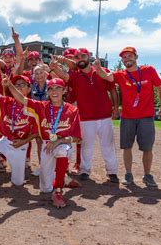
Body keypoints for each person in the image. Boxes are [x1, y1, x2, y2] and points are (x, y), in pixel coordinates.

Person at [93, 46, 161, 187]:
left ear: (136, 57)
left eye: (130, 56)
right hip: (127, 118)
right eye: (124, 57)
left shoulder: (149, 70)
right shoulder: (121, 74)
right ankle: (128, 174)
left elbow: (160, 88)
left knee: (147, 148)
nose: (127, 59)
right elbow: (106, 76)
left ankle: (147, 175)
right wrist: (98, 67)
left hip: (146, 117)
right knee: (126, 147)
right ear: (122, 60)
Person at [6, 78, 82, 208]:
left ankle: (58, 192)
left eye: (58, 88)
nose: (54, 91)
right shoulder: (42, 106)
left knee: (62, 150)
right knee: (45, 188)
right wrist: (9, 85)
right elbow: (22, 99)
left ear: (64, 91)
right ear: (47, 92)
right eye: (51, 88)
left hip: (63, 143)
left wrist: (59, 141)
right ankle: (62, 179)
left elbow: (77, 138)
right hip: (47, 145)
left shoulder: (72, 110)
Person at [51, 48, 119, 183]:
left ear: (89, 57)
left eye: (83, 56)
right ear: (75, 60)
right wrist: (54, 67)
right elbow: (64, 76)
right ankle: (85, 170)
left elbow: (112, 90)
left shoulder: (101, 71)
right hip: (86, 118)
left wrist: (116, 107)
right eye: (77, 57)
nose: (80, 58)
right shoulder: (76, 76)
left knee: (108, 146)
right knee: (86, 146)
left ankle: (112, 172)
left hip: (105, 116)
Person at [0, 72, 38, 189]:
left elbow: (36, 132)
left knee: (17, 183)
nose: (18, 87)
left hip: (20, 146)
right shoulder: (7, 101)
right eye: (16, 85)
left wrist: (24, 141)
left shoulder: (34, 106)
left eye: (22, 85)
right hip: (4, 142)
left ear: (29, 89)